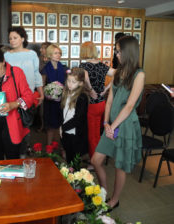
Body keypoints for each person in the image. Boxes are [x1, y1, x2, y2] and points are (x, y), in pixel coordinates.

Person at [91, 36, 145, 211]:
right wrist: (106, 123)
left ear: (128, 52)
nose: (116, 53)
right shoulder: (117, 72)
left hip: (126, 126)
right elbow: (109, 100)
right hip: (111, 125)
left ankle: (114, 200)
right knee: (96, 160)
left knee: (120, 166)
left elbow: (129, 106)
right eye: (116, 50)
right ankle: (104, 191)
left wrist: (113, 127)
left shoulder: (139, 74)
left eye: (118, 50)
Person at [4, 26, 44, 156]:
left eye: (15, 37)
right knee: (13, 126)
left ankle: (24, 151)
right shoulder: (7, 55)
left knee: (26, 125)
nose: (12, 40)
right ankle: (13, 153)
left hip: (28, 95)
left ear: (22, 38)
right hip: (11, 97)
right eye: (10, 38)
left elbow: (36, 73)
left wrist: (41, 92)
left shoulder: (31, 54)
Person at [79, 41, 115, 162]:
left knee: (93, 135)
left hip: (91, 103)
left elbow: (85, 82)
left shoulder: (84, 66)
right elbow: (118, 74)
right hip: (102, 103)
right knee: (98, 133)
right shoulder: (102, 65)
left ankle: (95, 161)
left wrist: (90, 91)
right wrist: (106, 88)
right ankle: (97, 156)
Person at [61, 67, 88, 164]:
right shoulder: (66, 93)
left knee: (75, 162)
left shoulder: (82, 97)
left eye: (73, 82)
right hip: (67, 133)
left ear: (81, 83)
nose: (70, 84)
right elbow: (63, 112)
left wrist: (63, 127)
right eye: (68, 81)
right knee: (69, 158)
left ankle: (75, 178)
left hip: (76, 135)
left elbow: (78, 119)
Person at [41, 44, 66, 146]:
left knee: (61, 125)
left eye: (59, 53)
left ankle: (61, 148)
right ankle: (49, 148)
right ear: (50, 55)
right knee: (51, 126)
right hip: (50, 102)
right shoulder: (45, 69)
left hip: (62, 100)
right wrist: (48, 94)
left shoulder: (63, 67)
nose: (58, 55)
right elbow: (42, 85)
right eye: (56, 53)